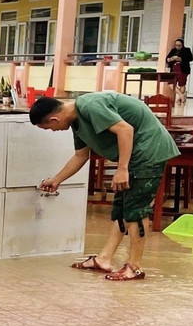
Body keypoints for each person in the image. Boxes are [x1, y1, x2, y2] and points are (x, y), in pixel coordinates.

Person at [29, 92, 180, 281]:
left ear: (54, 118)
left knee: (136, 210)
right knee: (121, 209)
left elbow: (125, 130)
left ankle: (134, 267)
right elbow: (81, 156)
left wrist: (122, 169)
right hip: (133, 156)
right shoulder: (76, 122)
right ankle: (104, 259)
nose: (53, 131)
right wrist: (57, 179)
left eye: (49, 128)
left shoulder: (90, 106)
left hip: (148, 152)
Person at [165, 38, 193, 105]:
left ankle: (180, 100)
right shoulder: (173, 50)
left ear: (182, 45)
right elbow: (167, 58)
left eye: (179, 45)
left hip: (182, 68)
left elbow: (190, 58)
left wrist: (180, 59)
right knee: (171, 83)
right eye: (176, 45)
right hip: (173, 68)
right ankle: (181, 95)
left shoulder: (186, 50)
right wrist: (170, 59)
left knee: (182, 83)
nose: (178, 47)